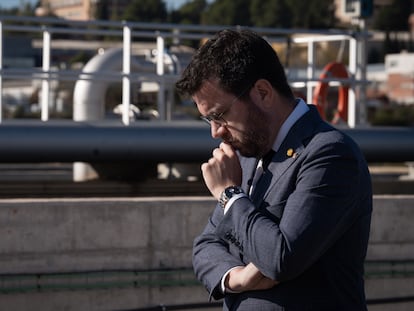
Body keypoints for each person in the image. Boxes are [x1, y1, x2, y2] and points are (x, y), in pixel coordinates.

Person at [175, 29, 372, 311]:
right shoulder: (245, 155)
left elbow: (281, 258)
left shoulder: (329, 154)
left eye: (219, 115)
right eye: (207, 119)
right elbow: (205, 246)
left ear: (263, 93)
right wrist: (237, 279)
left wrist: (230, 195)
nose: (215, 132)